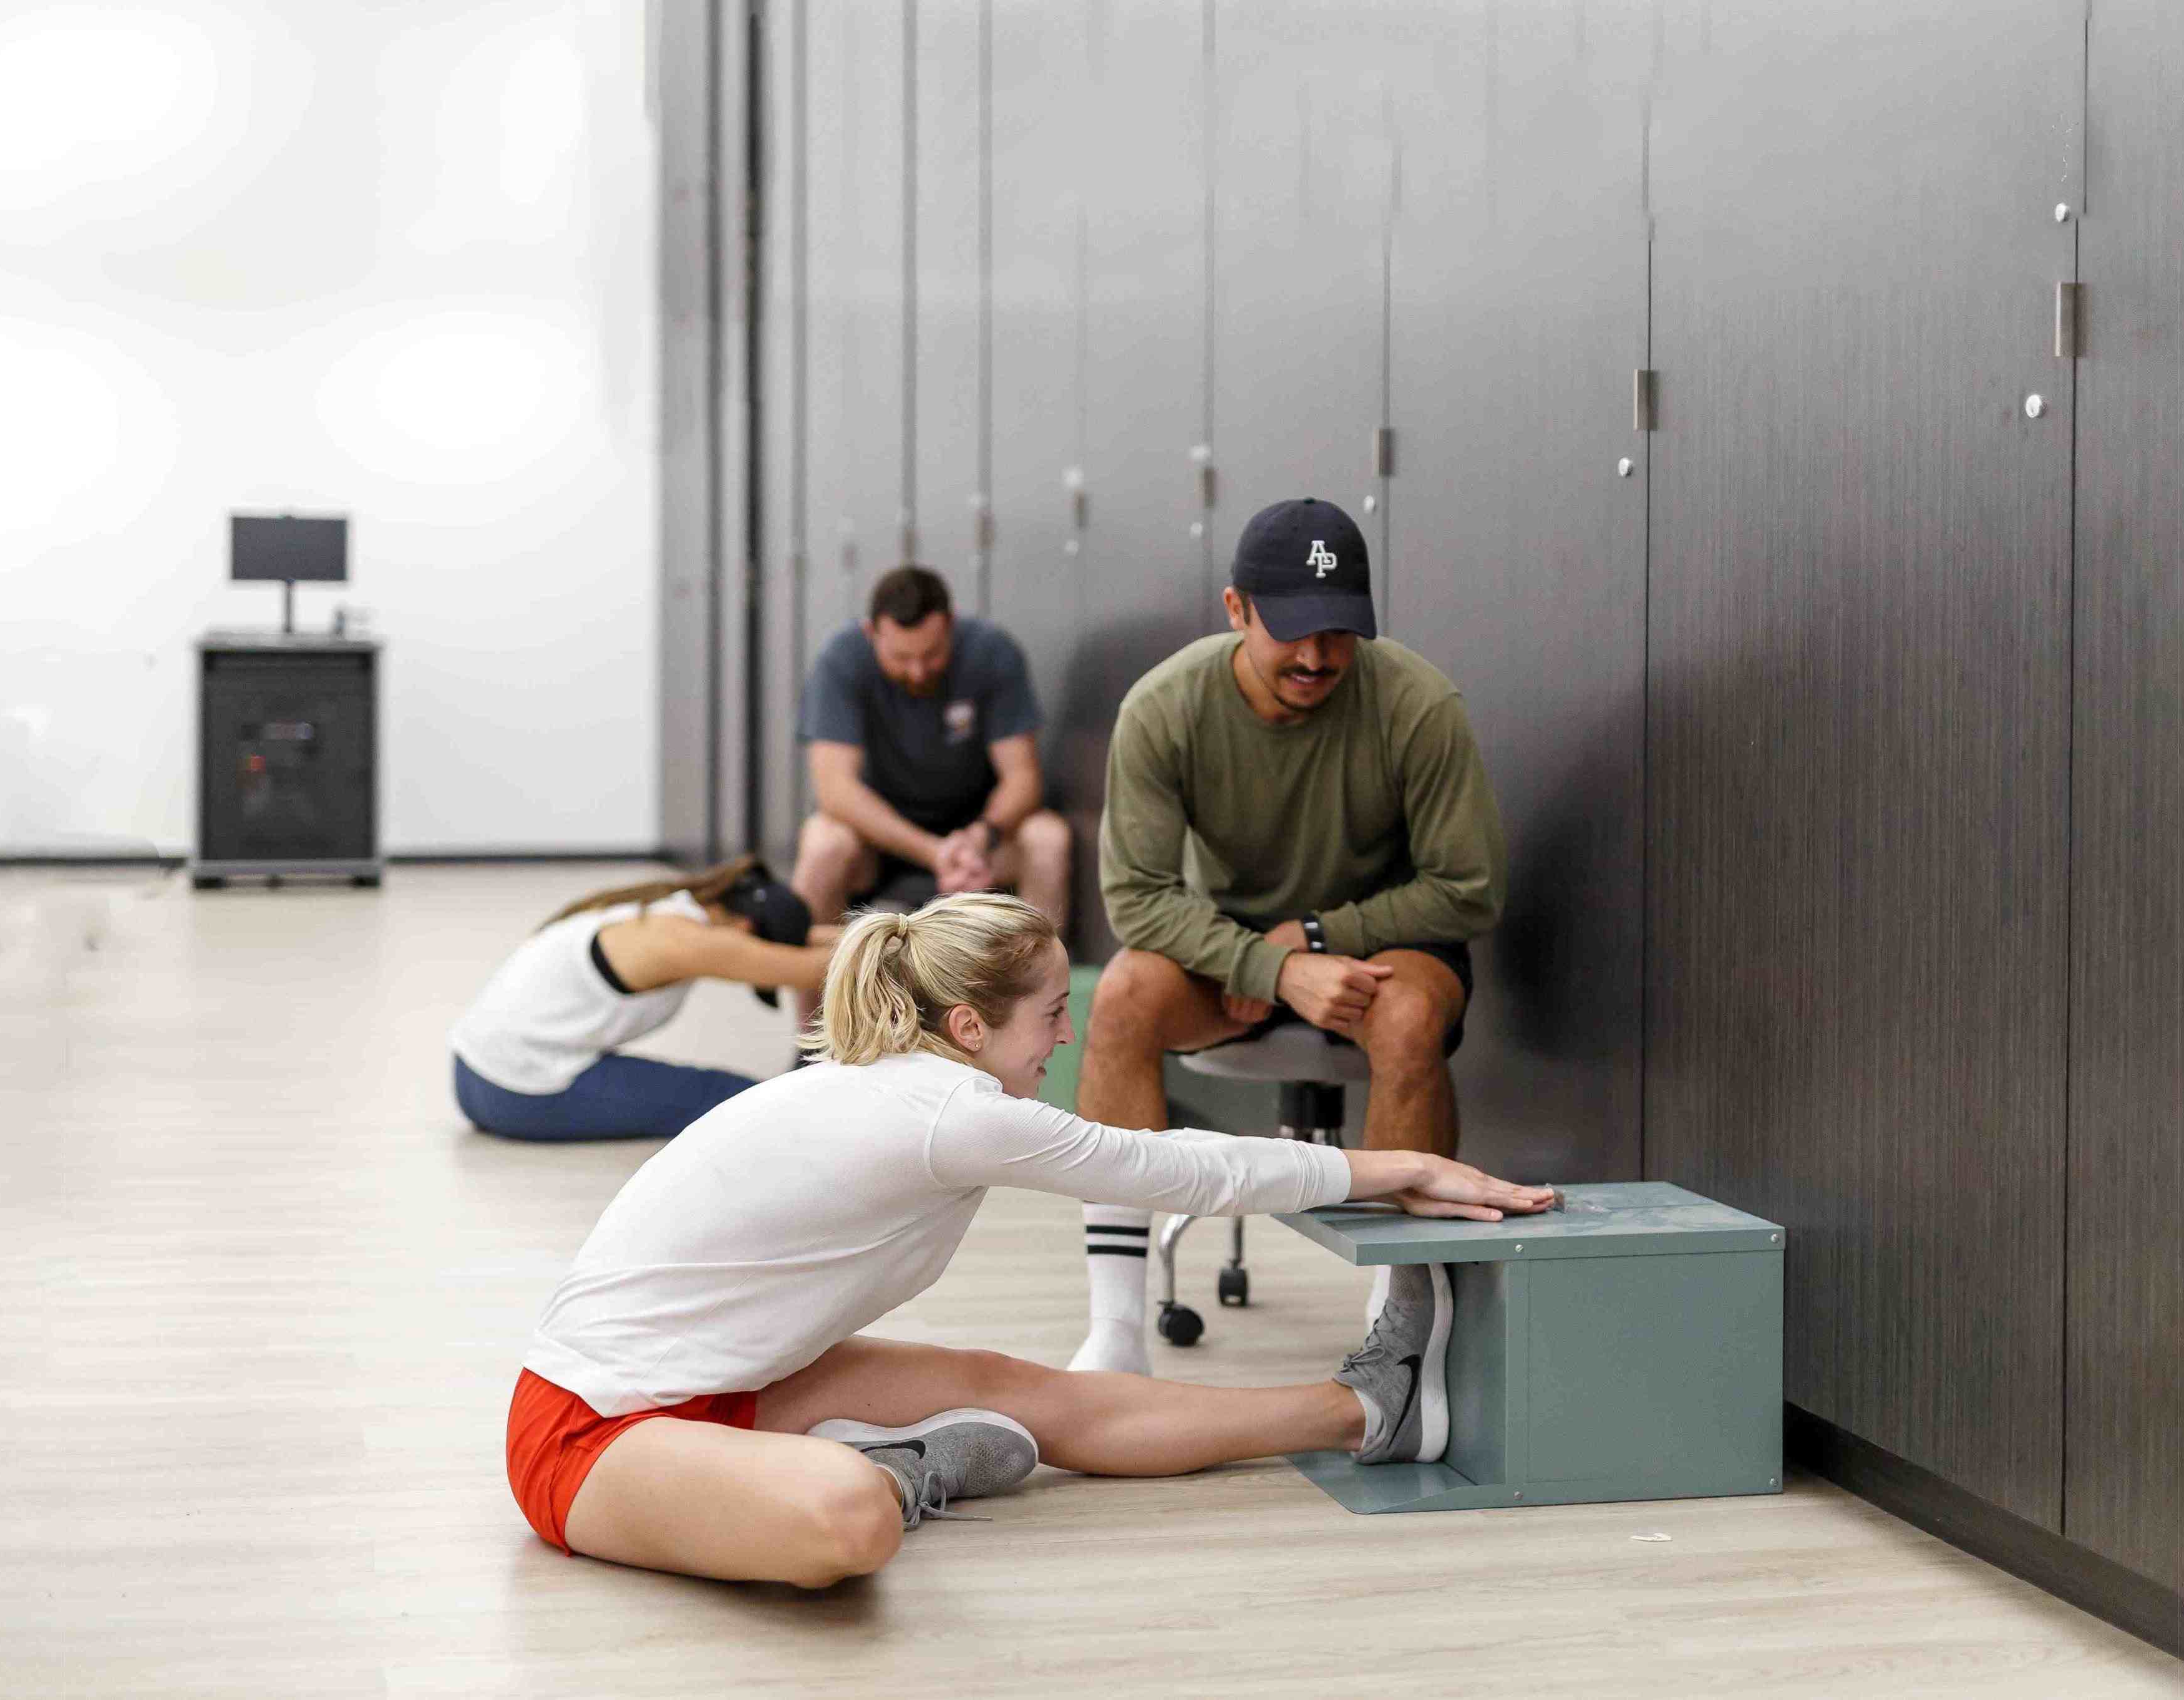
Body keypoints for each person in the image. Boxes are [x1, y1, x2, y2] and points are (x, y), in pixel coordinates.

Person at [505, 893, 1557, 1586]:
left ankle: (1368, 1411)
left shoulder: (911, 1091)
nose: (1065, 1035)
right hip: (587, 1435)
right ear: (969, 1028)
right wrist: (1401, 1167)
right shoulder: (946, 1112)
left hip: (727, 1387)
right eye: (1053, 1014)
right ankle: (891, 1470)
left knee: (1008, 1382)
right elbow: (1187, 1166)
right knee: (848, 1525)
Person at [1065, 498, 1510, 1376]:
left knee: (1412, 1016)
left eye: (1340, 633)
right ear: (1237, 611)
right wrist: (1271, 967)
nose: (1316, 657)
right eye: (1294, 632)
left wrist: (1312, 937)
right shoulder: (1165, 707)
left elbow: (1469, 888)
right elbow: (1136, 898)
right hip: (1228, 955)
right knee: (1121, 995)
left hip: (1384, 951)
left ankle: (1401, 1331)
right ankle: (1116, 1335)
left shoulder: (1417, 703)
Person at [450, 859, 834, 1142]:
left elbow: (807, 947)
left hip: (475, 1076)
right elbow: (810, 968)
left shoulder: (664, 911)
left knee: (723, 1095)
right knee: (738, 1101)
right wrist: (890, 933)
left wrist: (883, 926)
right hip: (519, 1092)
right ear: (745, 929)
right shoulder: (686, 941)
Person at [794, 565, 1072, 946]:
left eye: (932, 654)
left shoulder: (993, 652)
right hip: (879, 840)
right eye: (901, 657)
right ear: (871, 632)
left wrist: (980, 836)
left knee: (1048, 839)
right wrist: (931, 851)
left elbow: (1023, 778)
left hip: (975, 841)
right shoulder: (840, 661)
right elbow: (835, 790)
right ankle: (819, 1005)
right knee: (823, 843)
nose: (918, 670)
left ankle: (1042, 994)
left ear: (951, 626)